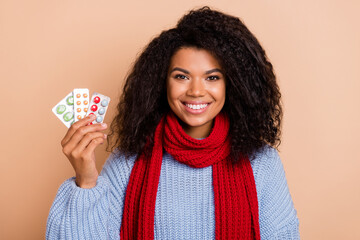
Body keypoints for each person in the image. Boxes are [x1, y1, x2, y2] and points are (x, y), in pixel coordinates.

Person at [46, 6, 300, 240]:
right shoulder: (128, 160)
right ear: (161, 82)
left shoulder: (262, 163)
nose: (196, 91)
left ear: (232, 84)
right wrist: (86, 179)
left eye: (212, 77)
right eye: (182, 76)